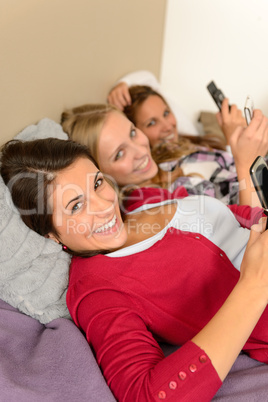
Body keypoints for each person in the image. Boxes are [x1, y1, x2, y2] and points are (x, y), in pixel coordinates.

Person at [2, 137, 268, 401]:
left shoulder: (143, 202)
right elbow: (145, 394)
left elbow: (233, 215)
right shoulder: (97, 290)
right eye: (77, 205)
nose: (105, 206)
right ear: (51, 234)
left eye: (97, 183)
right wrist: (252, 288)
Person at [61, 102, 268, 208]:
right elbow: (251, 238)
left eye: (133, 133)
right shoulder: (154, 208)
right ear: (100, 175)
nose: (141, 150)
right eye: (119, 154)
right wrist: (247, 164)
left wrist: (122, 85)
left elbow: (144, 80)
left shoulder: (167, 162)